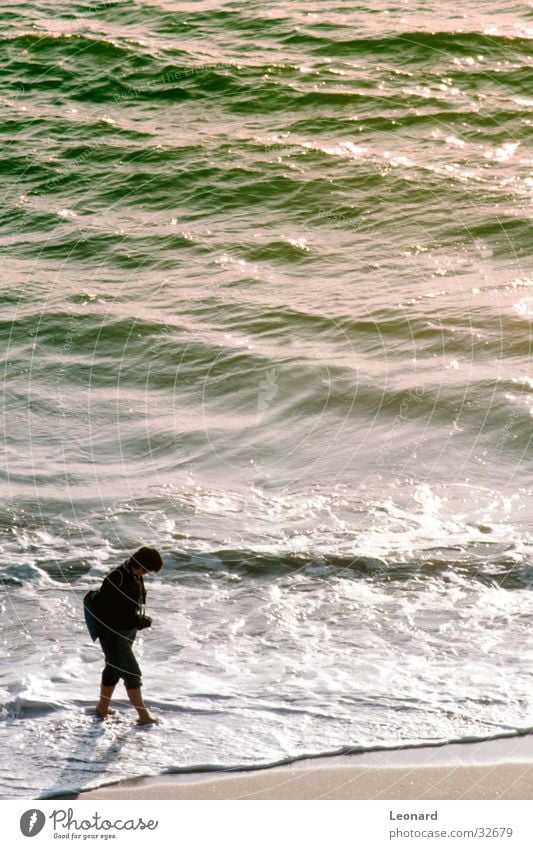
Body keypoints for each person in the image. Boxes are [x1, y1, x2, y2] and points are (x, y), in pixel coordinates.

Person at [92, 546, 163, 724]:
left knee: (113, 668)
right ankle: (143, 716)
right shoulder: (117, 578)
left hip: (126, 632)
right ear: (138, 564)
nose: (146, 574)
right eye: (146, 569)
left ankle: (102, 708)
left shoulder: (134, 574)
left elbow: (128, 606)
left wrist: (138, 620)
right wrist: (134, 621)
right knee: (132, 674)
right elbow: (106, 612)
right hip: (113, 634)